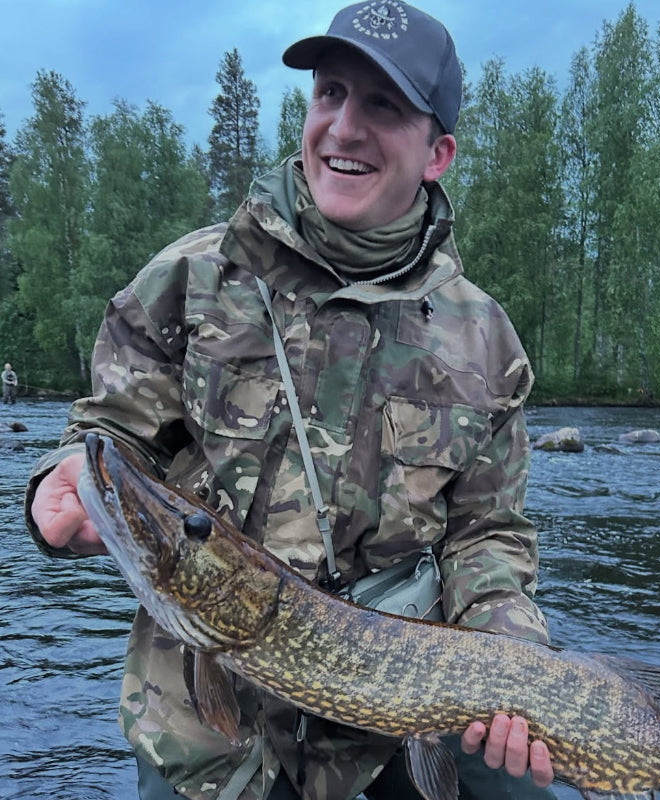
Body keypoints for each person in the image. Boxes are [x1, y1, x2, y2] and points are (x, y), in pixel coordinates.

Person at [25, 3, 558, 799]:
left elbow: (487, 532)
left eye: (382, 105)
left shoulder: (484, 342)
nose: (343, 127)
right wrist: (60, 479)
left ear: (438, 152)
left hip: (390, 734)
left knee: (527, 781)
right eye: (330, 93)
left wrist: (506, 652)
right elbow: (107, 438)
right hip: (202, 738)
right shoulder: (190, 279)